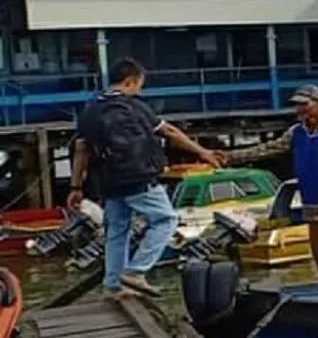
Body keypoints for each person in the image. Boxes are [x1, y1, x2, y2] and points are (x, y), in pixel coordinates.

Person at [69, 58, 222, 298]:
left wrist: (76, 186)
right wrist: (202, 152)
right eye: (140, 84)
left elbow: (81, 149)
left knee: (117, 230)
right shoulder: (134, 106)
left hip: (108, 181)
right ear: (131, 81)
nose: (140, 89)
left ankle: (113, 285)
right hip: (138, 176)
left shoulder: (89, 111)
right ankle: (136, 271)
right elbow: (169, 132)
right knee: (166, 220)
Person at [222, 84, 318, 305]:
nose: (301, 110)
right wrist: (231, 157)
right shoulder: (296, 132)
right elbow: (268, 149)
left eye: (305, 104)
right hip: (312, 205)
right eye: (298, 105)